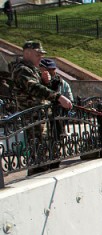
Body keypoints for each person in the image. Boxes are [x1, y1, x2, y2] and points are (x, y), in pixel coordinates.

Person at [11, 40, 73, 174]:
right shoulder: (22, 70)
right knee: (39, 154)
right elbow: (34, 88)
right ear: (27, 53)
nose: (41, 57)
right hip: (33, 119)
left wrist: (48, 82)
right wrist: (58, 97)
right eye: (37, 54)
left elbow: (44, 89)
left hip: (43, 117)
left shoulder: (34, 70)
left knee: (49, 151)